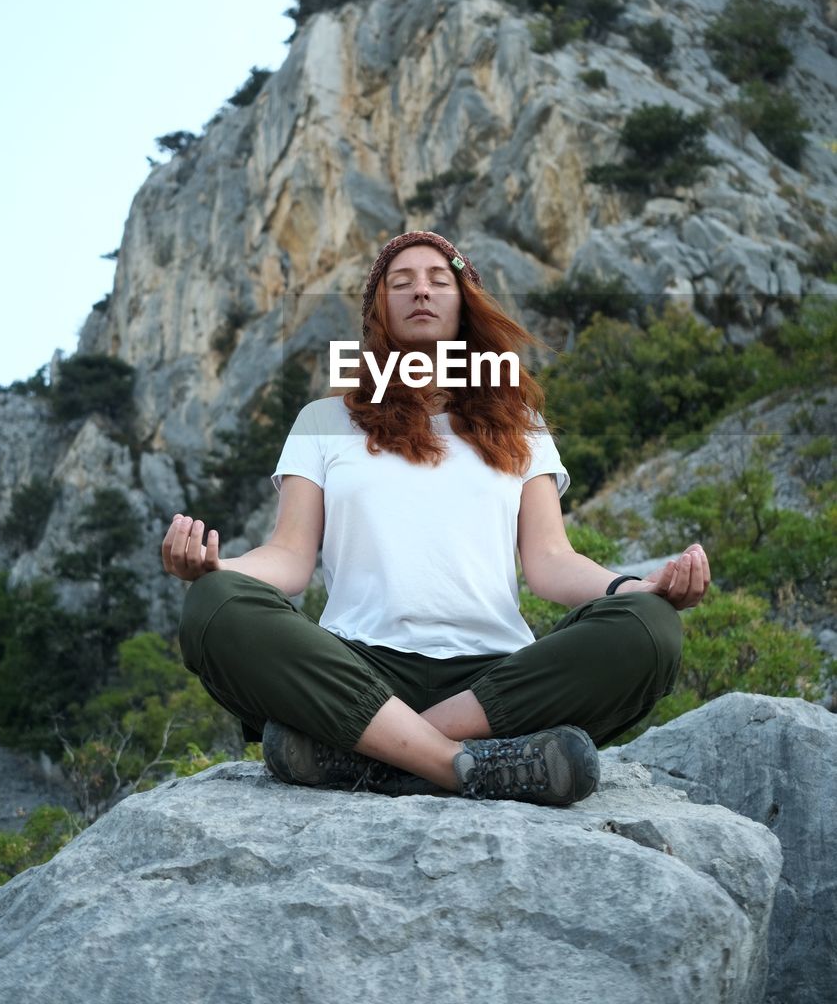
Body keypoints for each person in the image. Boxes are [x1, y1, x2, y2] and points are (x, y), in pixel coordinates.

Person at [167, 230, 709, 807]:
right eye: (401, 283)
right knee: (213, 605)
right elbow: (290, 559)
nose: (420, 291)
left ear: (464, 302)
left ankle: (371, 754)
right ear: (379, 312)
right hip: (358, 668)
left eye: (437, 280)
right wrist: (221, 568)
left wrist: (637, 588)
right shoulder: (325, 419)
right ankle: (463, 764)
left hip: (495, 679)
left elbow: (551, 563)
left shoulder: (518, 422)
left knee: (652, 628)